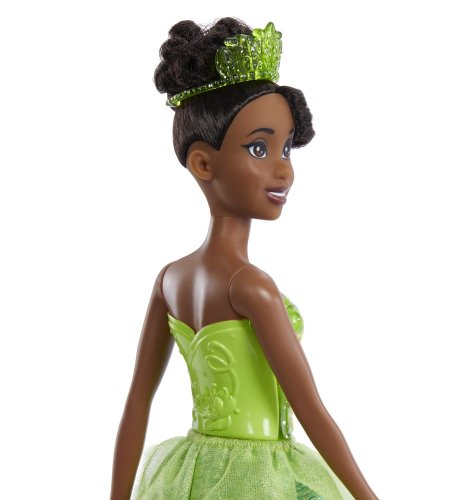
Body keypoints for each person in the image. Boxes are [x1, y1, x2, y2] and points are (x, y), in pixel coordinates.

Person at [110, 18, 378, 500]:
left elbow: (136, 405)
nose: (283, 170)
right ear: (203, 162)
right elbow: (312, 411)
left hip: (191, 476)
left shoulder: (170, 279)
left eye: (286, 148)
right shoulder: (249, 286)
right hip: (259, 481)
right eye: (259, 148)